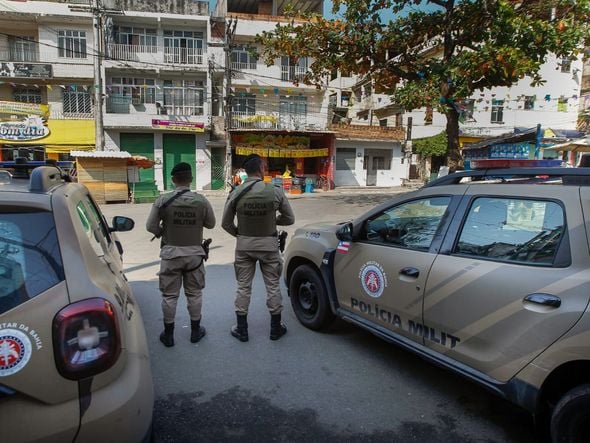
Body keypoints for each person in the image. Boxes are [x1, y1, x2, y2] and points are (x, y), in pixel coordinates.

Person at [222, 154, 295, 342]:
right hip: (269, 246)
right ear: (261, 169)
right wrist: (273, 220)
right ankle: (275, 328)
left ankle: (242, 329)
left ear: (246, 172)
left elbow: (225, 223)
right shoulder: (275, 191)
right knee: (272, 286)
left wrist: (240, 234)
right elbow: (289, 219)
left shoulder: (236, 192)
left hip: (244, 246)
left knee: (243, 287)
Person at [146, 162, 216, 347]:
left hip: (170, 255)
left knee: (169, 296)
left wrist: (163, 232)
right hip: (194, 256)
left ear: (173, 180)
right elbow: (211, 224)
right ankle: (195, 332)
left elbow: (150, 226)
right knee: (194, 294)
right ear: (191, 179)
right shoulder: (201, 201)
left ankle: (168, 335)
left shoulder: (162, 201)